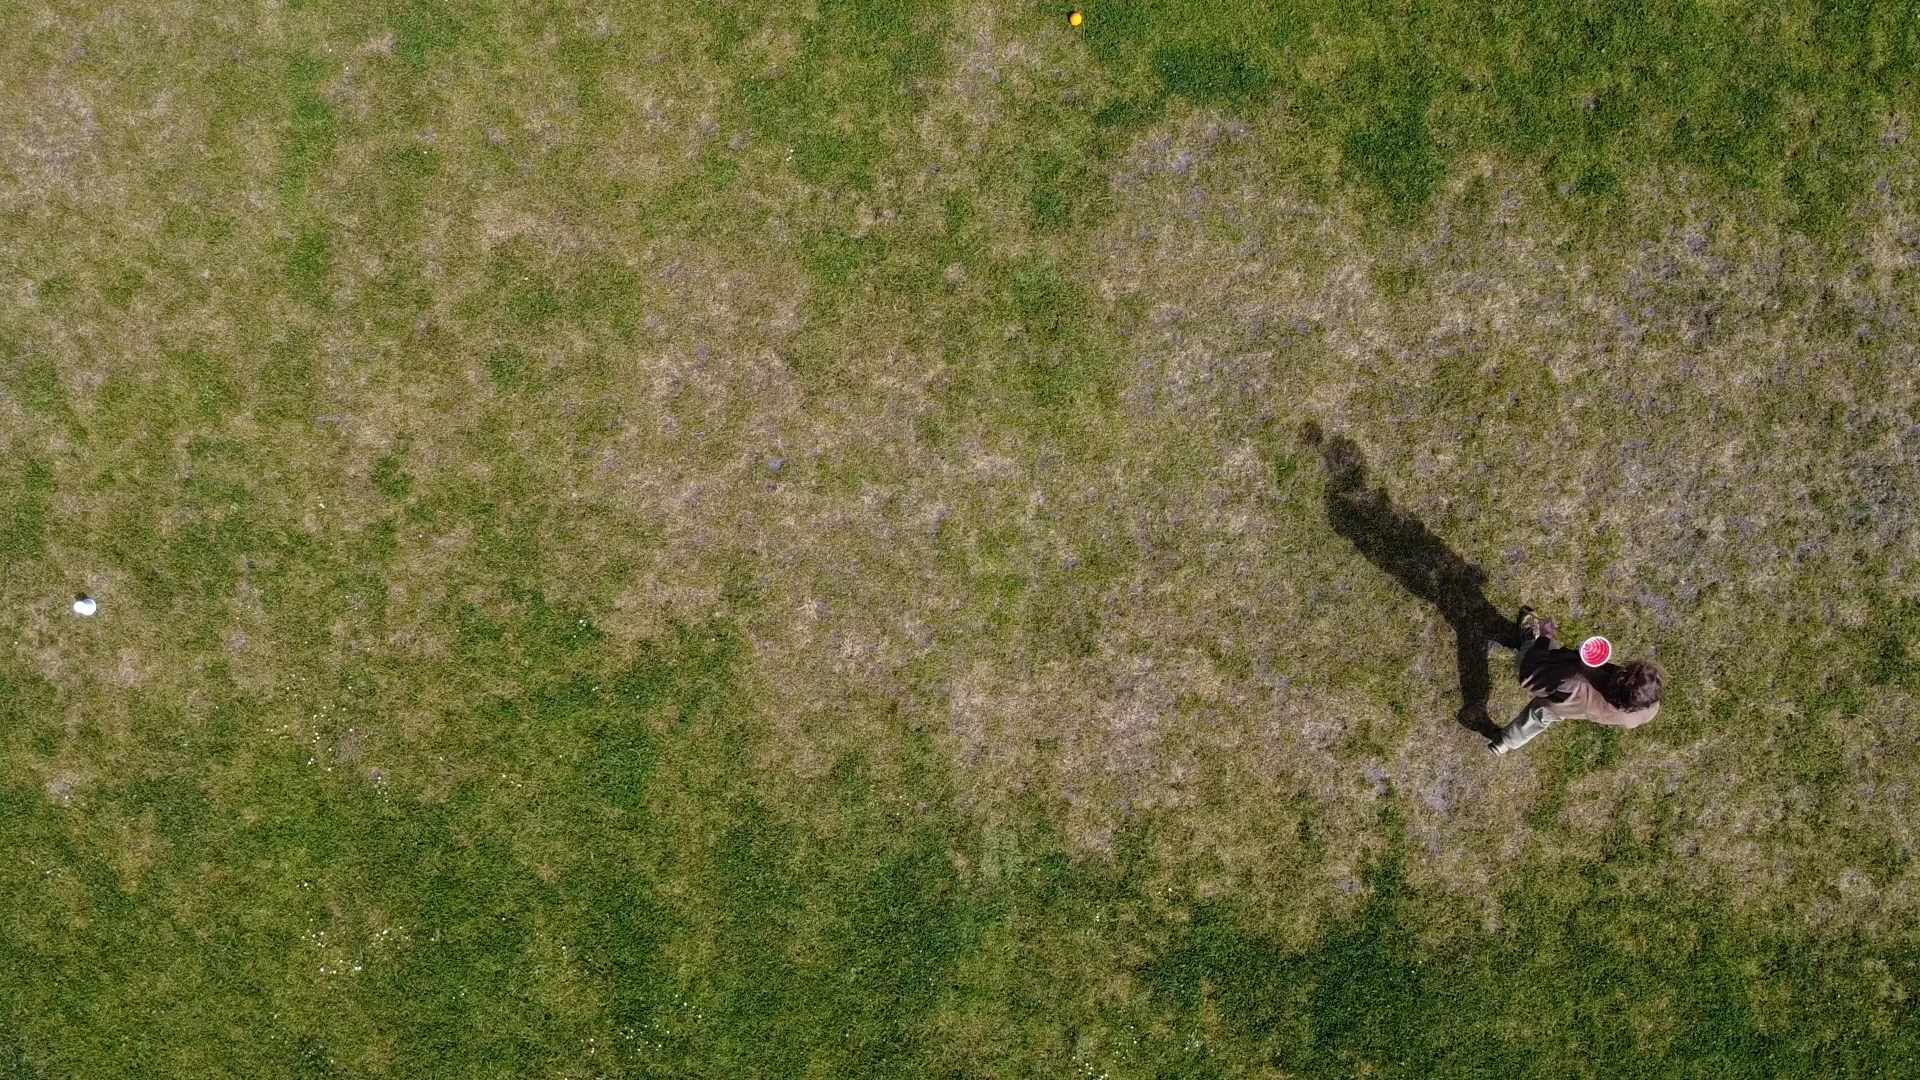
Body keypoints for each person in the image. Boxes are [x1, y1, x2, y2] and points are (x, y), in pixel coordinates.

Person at [1490, 608, 1664, 754]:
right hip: (1570, 708)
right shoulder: (1647, 708)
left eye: (1626, 671)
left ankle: (1530, 639)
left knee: (1533, 654)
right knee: (1538, 717)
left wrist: (1544, 637)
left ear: (1618, 682)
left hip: (1556, 684)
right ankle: (1505, 743)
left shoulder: (1574, 678)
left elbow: (1529, 674)